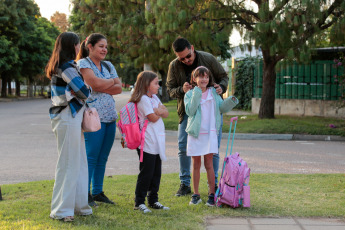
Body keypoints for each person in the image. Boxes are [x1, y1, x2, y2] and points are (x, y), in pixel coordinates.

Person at [166, 37, 229, 196]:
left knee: (213, 149)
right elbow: (170, 89)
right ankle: (185, 184)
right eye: (182, 58)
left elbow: (223, 76)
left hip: (211, 110)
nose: (186, 60)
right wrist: (182, 89)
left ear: (192, 48)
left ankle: (212, 185)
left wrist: (221, 87)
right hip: (189, 111)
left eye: (188, 56)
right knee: (183, 148)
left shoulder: (207, 58)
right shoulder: (174, 66)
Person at [46, 32, 92, 222]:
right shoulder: (66, 67)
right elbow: (84, 92)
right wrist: (83, 89)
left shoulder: (65, 66)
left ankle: (79, 206)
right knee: (69, 163)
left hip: (70, 116)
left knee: (78, 162)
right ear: (72, 46)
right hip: (67, 116)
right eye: (78, 44)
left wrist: (80, 89)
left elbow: (80, 91)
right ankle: (62, 210)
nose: (79, 47)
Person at [76, 33, 122, 206]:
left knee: (103, 157)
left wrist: (103, 83)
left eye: (106, 46)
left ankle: (97, 192)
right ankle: (85, 193)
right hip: (93, 117)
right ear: (90, 47)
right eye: (101, 46)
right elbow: (93, 84)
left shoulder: (108, 65)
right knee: (91, 156)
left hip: (110, 117)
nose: (105, 49)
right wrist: (110, 83)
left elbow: (118, 89)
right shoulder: (83, 64)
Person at [184, 66, 238, 206]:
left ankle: (211, 194)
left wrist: (231, 99)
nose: (204, 79)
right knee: (196, 164)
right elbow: (190, 111)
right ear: (194, 79)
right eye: (201, 76)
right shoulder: (190, 94)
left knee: (209, 165)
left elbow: (222, 108)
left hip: (210, 134)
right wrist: (197, 92)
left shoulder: (214, 92)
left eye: (206, 76)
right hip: (196, 134)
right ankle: (195, 195)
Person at [129, 71, 170, 213]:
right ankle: (139, 201)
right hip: (146, 142)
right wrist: (159, 111)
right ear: (147, 84)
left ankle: (153, 200)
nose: (159, 85)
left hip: (156, 141)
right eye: (156, 83)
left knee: (156, 172)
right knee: (146, 173)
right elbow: (152, 118)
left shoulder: (154, 98)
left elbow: (166, 112)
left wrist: (158, 110)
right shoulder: (143, 99)